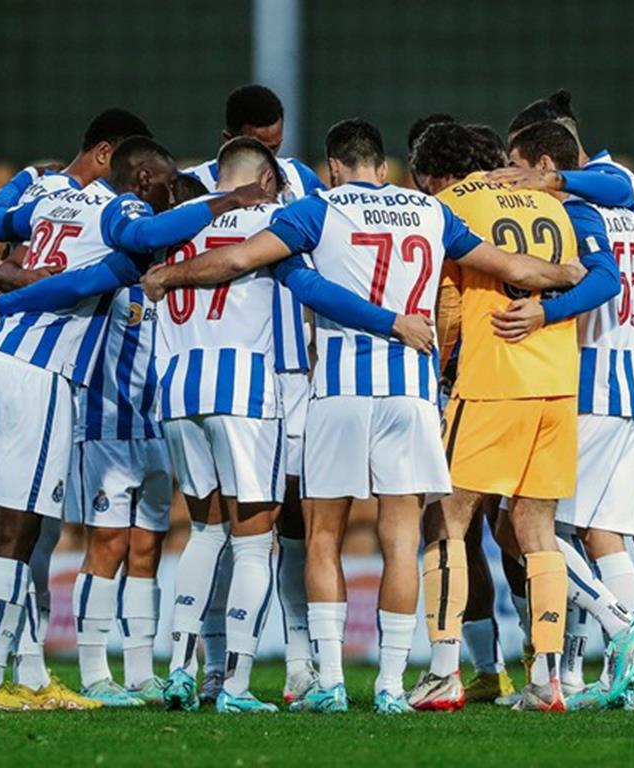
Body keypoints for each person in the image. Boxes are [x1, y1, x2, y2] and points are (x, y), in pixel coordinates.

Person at [141, 118, 585, 714]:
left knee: (323, 536)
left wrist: (169, 275)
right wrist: (566, 275)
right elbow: (514, 269)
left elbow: (237, 259)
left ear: (333, 168)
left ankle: (328, 680)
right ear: (384, 168)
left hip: (342, 393)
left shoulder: (318, 210)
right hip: (409, 392)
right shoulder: (430, 212)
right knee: (401, 540)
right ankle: (391, 686)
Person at [0, 136, 268, 711]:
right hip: (96, 418)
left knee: (141, 547)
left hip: (158, 422)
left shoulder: (170, 270)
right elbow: (50, 266)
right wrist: (5, 283)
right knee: (75, 541)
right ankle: (77, 670)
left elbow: (8, 245)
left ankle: (128, 671)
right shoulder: (121, 240)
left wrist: (6, 278)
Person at [157, 136, 436, 714]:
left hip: (179, 386)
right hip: (264, 386)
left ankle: (187, 670)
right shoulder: (283, 221)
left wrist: (161, 276)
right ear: (266, 182)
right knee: (269, 540)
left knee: (208, 534)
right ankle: (251, 681)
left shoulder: (178, 230)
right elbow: (302, 282)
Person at [497, 90, 634, 707]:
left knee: (530, 524)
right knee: (611, 533)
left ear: (544, 161)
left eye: (517, 166)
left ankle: (618, 642)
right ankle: (626, 675)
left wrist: (545, 309)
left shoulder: (585, 202)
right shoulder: (628, 215)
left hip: (594, 381)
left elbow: (605, 280)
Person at [0, 108, 151, 703]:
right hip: (38, 372)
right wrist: (216, 207)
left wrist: (11, 283)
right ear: (113, 158)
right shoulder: (116, 212)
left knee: (17, 530)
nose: (146, 191)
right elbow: (88, 275)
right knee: (21, 535)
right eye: (144, 177)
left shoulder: (47, 198)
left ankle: (27, 672)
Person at [407, 121, 583, 712]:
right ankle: (548, 680)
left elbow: (450, 308)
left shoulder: (450, 206)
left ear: (432, 175)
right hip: (558, 381)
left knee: (445, 521)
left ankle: (442, 672)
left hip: (491, 380)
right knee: (537, 531)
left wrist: (441, 366)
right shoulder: (549, 202)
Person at [184, 84, 326, 702]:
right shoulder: (191, 187)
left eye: (277, 142)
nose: (273, 155)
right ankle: (215, 666)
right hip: (251, 373)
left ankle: (299, 661)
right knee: (233, 524)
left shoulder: (304, 182)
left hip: (292, 370)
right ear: (230, 140)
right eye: (260, 145)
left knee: (294, 517)